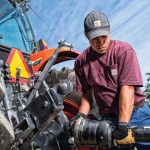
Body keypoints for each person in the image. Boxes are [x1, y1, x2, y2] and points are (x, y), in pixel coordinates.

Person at [72, 11, 150, 149]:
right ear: (86, 36)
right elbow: (87, 94)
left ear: (109, 31)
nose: (101, 42)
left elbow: (128, 87)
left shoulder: (124, 50)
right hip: (108, 120)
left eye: (104, 36)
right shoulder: (81, 62)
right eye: (95, 38)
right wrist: (81, 116)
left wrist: (124, 124)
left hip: (137, 114)